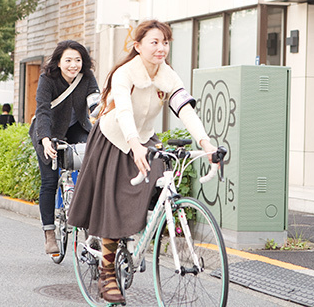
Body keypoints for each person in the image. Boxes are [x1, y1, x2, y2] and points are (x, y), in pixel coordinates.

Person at [67, 20, 218, 305]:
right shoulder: (126, 73)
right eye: (155, 42)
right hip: (115, 139)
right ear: (137, 46)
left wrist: (205, 142)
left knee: (155, 184)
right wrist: (134, 143)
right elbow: (123, 109)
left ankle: (133, 236)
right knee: (116, 203)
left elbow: (185, 110)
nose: (162, 48)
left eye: (165, 42)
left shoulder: (169, 76)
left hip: (143, 139)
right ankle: (107, 271)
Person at [29, 40, 100, 255]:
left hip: (76, 127)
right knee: (49, 181)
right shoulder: (47, 79)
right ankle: (50, 233)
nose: (73, 65)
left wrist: (100, 111)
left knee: (92, 165)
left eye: (77, 60)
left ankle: (92, 228)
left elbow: (95, 102)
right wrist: (44, 139)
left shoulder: (86, 77)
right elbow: (42, 111)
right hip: (47, 130)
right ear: (59, 62)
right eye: (68, 60)